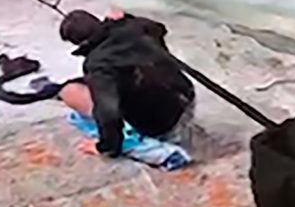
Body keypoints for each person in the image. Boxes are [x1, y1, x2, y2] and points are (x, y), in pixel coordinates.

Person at [57, 9, 196, 157]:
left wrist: (105, 147)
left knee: (69, 92)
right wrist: (127, 19)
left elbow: (108, 111)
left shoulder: (97, 64)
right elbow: (160, 29)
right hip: (185, 98)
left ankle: (141, 144)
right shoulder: (135, 27)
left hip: (160, 124)